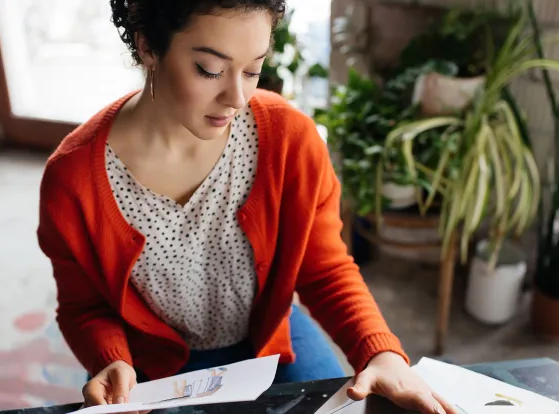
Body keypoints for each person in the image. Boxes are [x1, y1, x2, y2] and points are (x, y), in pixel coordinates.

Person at [36, 1, 455, 413]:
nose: (236, 97)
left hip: (269, 333)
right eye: (210, 70)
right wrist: (110, 357)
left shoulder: (288, 139)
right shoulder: (73, 180)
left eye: (253, 70)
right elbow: (83, 306)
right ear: (147, 46)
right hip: (150, 362)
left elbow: (324, 268)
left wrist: (379, 351)